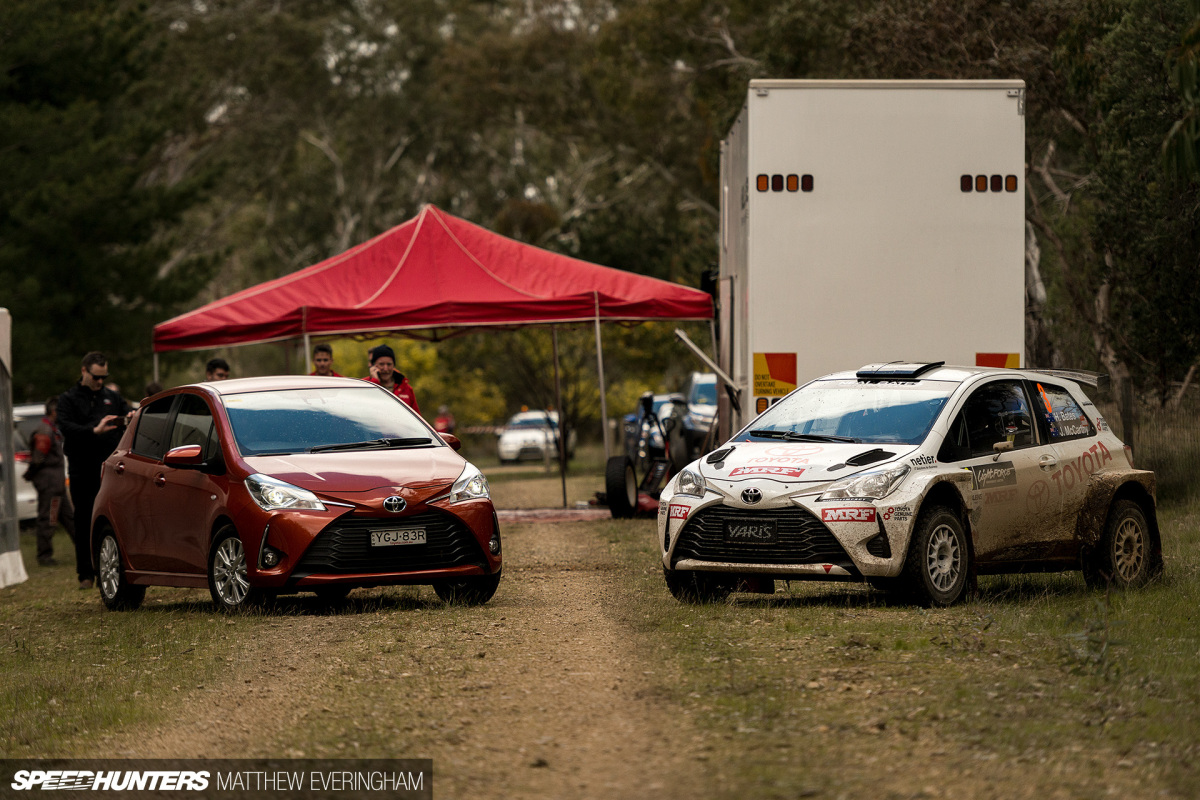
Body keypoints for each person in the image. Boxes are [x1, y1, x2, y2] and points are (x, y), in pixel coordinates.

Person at [57, 352, 132, 589]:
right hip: (82, 468)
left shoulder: (111, 396)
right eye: (96, 377)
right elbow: (65, 427)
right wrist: (93, 431)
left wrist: (130, 416)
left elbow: (128, 413)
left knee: (111, 518)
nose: (100, 382)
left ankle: (109, 571)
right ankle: (85, 573)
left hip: (109, 467)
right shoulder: (68, 399)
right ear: (84, 371)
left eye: (103, 377)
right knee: (84, 518)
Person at [24, 397, 75, 567]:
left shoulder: (52, 429)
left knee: (70, 518)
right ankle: (44, 556)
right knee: (48, 518)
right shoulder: (45, 430)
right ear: (54, 412)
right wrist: (31, 473)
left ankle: (85, 549)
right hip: (50, 483)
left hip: (56, 482)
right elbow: (38, 457)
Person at [363, 344, 420, 412]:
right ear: (373, 366)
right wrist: (375, 382)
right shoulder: (363, 385)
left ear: (394, 365)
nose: (385, 368)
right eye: (381, 364)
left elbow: (416, 415)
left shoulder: (406, 388)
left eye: (389, 364)